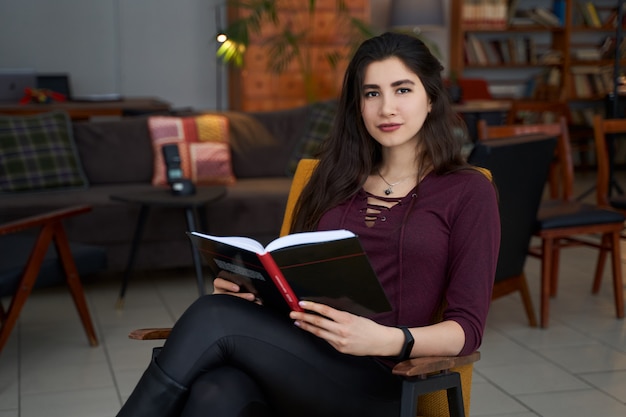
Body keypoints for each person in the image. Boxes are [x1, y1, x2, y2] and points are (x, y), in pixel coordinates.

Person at [116, 31, 500, 417]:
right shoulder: (334, 178)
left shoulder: (467, 190)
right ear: (358, 105)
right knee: (216, 390)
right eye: (371, 94)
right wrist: (248, 288)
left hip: (381, 380)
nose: (386, 108)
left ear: (430, 97)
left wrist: (383, 339)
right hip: (301, 358)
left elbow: (467, 330)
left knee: (212, 317)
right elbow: (294, 281)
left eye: (402, 90)